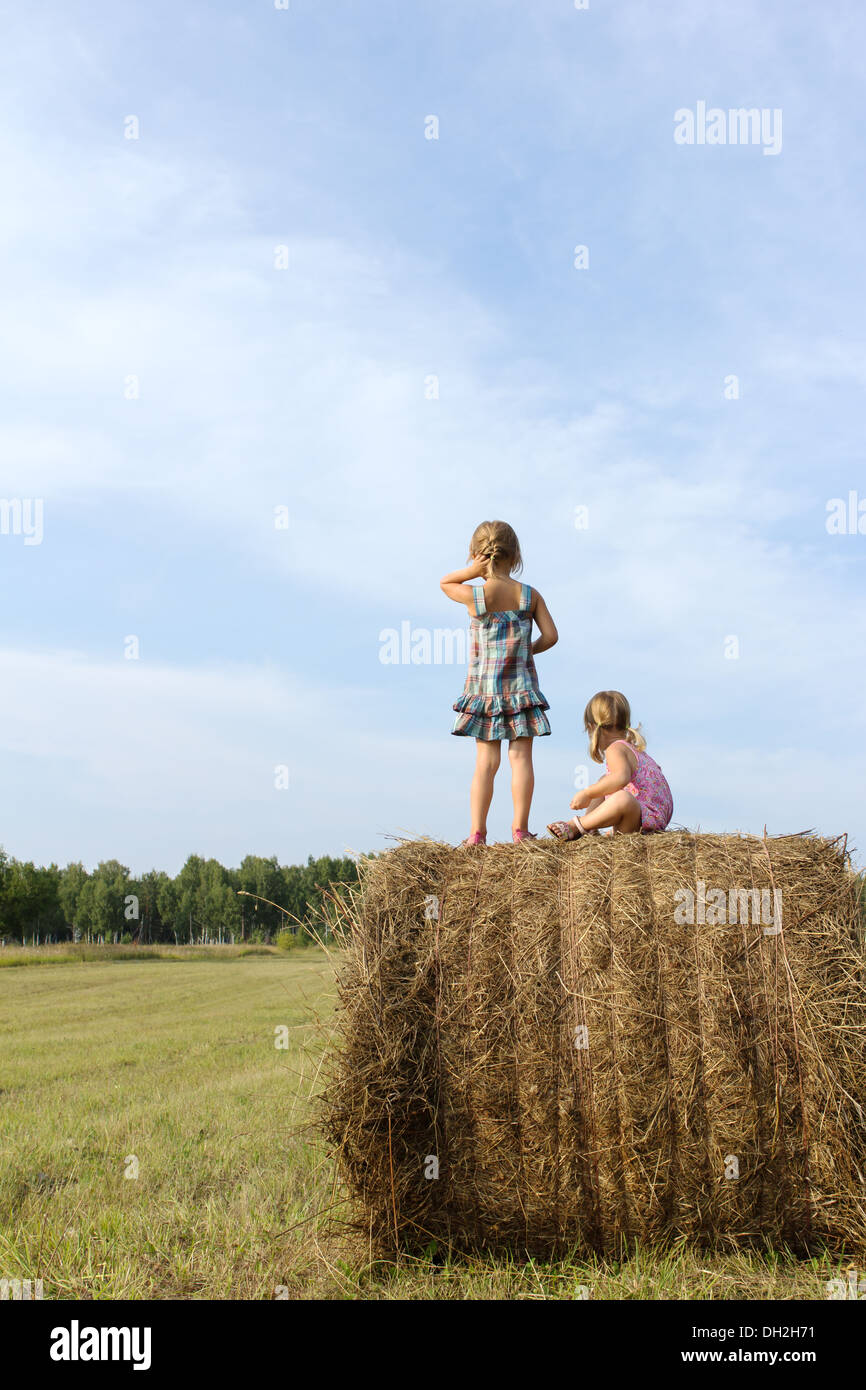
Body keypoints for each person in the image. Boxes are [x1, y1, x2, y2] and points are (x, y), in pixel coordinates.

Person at [441, 520, 558, 845]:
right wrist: (527, 650)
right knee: (521, 760)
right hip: (521, 691)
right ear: (515, 555)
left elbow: (444, 582)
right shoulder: (529, 596)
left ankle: (477, 833)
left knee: (486, 763)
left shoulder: (476, 596)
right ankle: (520, 830)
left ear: (478, 554)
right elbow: (551, 636)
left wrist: (472, 570)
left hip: (485, 694)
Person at [547, 690, 672, 839]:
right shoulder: (634, 750)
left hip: (639, 817)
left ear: (592, 727)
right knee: (604, 781)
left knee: (622, 798)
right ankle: (589, 830)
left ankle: (577, 826)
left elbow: (621, 778)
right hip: (649, 819)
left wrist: (587, 793)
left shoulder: (616, 748)